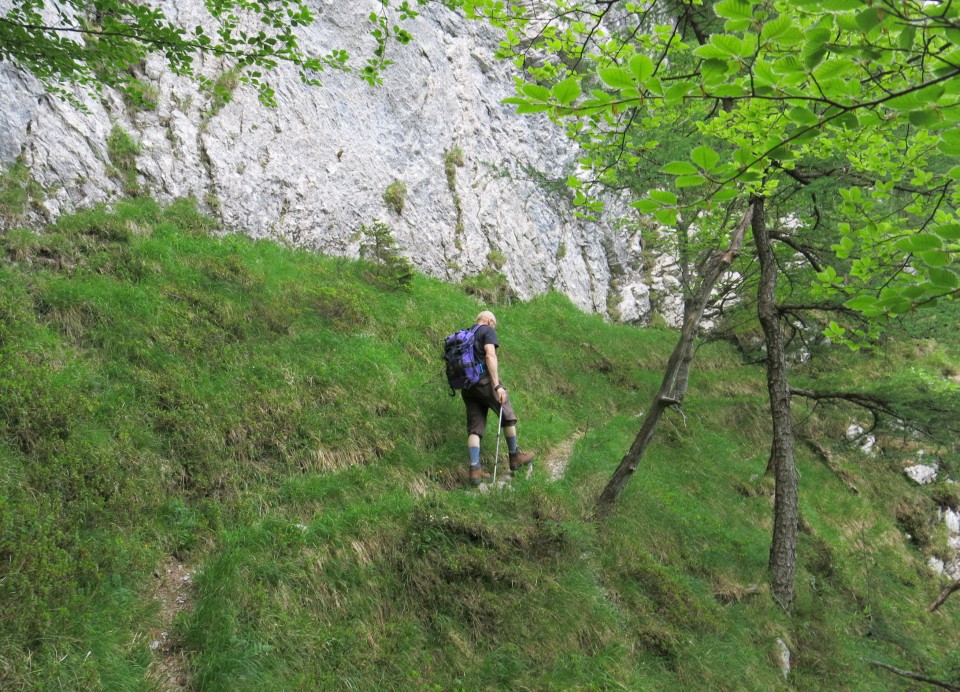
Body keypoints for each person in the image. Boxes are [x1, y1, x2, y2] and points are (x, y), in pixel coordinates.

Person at [462, 310, 534, 486]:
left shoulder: (465, 334)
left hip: (467, 386)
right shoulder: (487, 331)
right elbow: (490, 355)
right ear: (490, 322)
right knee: (508, 415)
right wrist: (497, 385)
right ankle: (515, 457)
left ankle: (475, 470)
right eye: (494, 325)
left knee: (475, 429)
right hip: (485, 382)